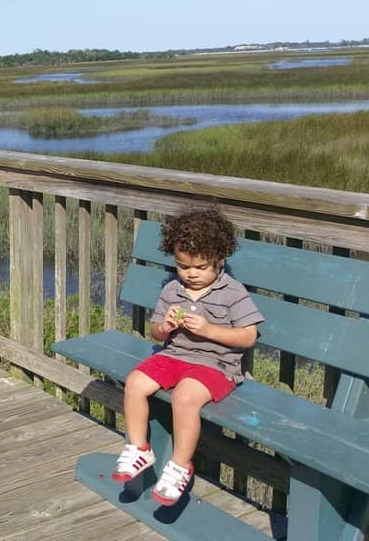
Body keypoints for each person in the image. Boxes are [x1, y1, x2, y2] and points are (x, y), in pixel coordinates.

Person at [111, 207, 264, 506]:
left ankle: (179, 466)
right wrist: (164, 327)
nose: (191, 274)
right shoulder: (172, 290)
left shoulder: (232, 292)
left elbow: (248, 336)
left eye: (201, 267)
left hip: (216, 365)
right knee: (135, 382)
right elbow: (156, 332)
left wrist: (209, 329)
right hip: (175, 355)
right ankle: (139, 448)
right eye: (183, 267)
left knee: (184, 397)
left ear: (219, 260)